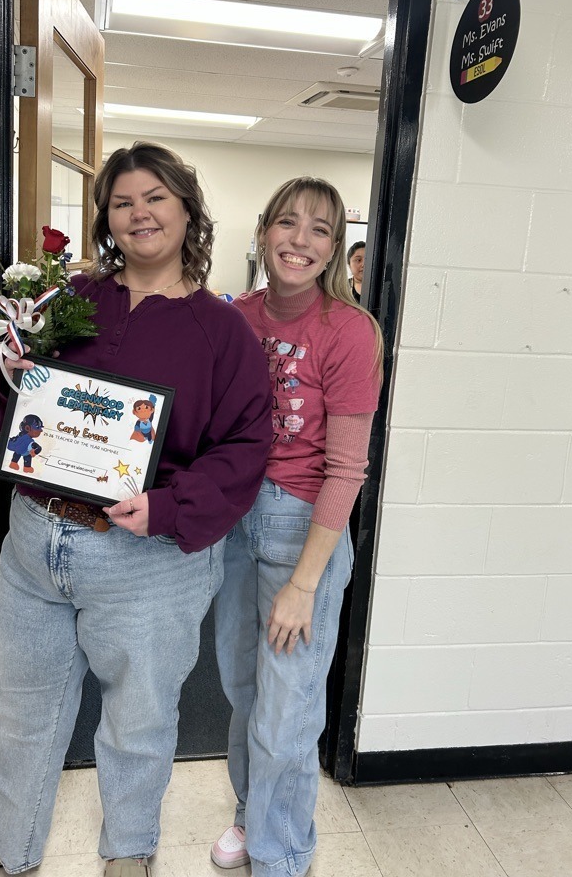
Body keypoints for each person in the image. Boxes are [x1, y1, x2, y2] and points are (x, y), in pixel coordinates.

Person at [0, 141, 272, 877]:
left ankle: (129, 851)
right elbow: (1, 409)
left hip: (147, 561)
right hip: (35, 542)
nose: (139, 213)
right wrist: (10, 373)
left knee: (139, 719)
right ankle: (4, 839)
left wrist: (170, 505)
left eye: (156, 197)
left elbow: (245, 448)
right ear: (106, 218)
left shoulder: (224, 332)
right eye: (122, 202)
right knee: (14, 705)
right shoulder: (68, 302)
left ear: (187, 210)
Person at [212, 178, 383, 877]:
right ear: (263, 232)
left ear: (335, 248)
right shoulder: (235, 318)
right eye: (288, 223)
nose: (300, 241)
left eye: (320, 230)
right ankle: (251, 813)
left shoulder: (348, 331)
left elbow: (346, 470)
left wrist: (305, 584)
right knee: (243, 690)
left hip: (301, 530)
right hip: (235, 522)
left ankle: (281, 854)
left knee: (288, 707)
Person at [347, 239, 365, 303]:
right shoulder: (342, 288)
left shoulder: (382, 286)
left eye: (367, 259)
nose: (363, 264)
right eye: (358, 260)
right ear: (349, 264)